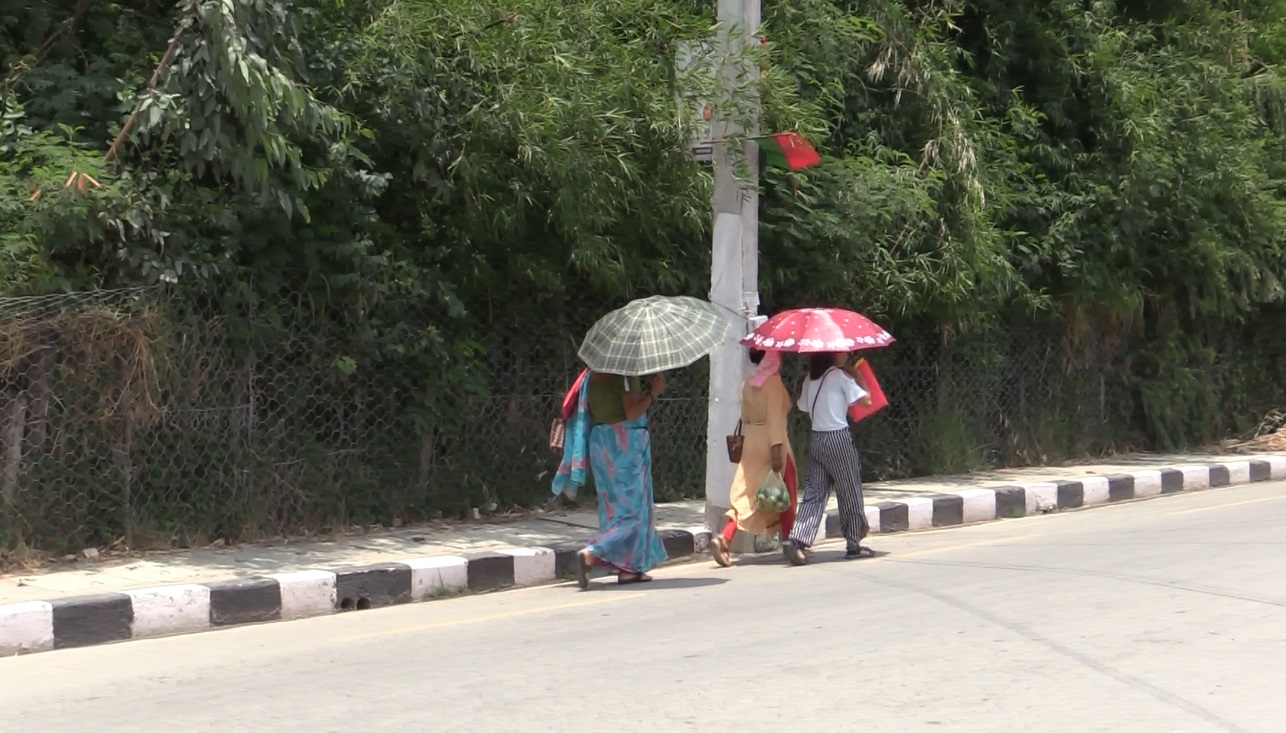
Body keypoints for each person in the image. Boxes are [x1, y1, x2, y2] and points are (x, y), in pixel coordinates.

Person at [551, 370, 669, 588]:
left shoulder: (590, 376)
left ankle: (628, 569)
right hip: (625, 445)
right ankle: (592, 551)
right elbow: (632, 412)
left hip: (601, 444)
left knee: (613, 510)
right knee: (634, 512)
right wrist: (653, 392)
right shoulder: (624, 376)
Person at [783, 351, 874, 565]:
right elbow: (867, 402)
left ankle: (798, 539)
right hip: (839, 438)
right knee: (849, 489)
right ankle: (853, 543)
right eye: (842, 350)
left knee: (814, 492)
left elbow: (802, 407)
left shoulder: (810, 379)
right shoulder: (841, 377)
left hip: (817, 439)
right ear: (832, 354)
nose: (847, 353)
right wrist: (858, 377)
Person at [710, 349, 797, 567]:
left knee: (745, 495)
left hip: (751, 442)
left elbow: (746, 417)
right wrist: (776, 451)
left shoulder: (749, 383)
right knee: (786, 491)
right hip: (771, 442)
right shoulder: (774, 383)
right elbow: (776, 419)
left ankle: (725, 537)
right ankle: (790, 542)